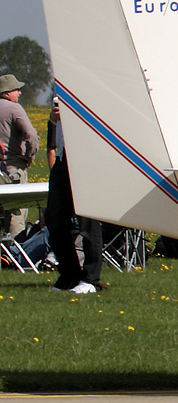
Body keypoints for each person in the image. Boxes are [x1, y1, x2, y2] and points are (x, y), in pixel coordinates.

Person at [45, 96, 104, 294]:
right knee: (55, 220)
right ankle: (69, 275)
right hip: (62, 160)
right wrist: (54, 120)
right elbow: (54, 136)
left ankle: (90, 279)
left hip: (84, 160)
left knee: (88, 222)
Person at [0, 74, 39, 239]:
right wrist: (30, 155)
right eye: (17, 89)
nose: (19, 93)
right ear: (8, 92)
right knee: (17, 210)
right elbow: (32, 135)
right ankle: (16, 250)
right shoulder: (14, 108)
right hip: (13, 166)